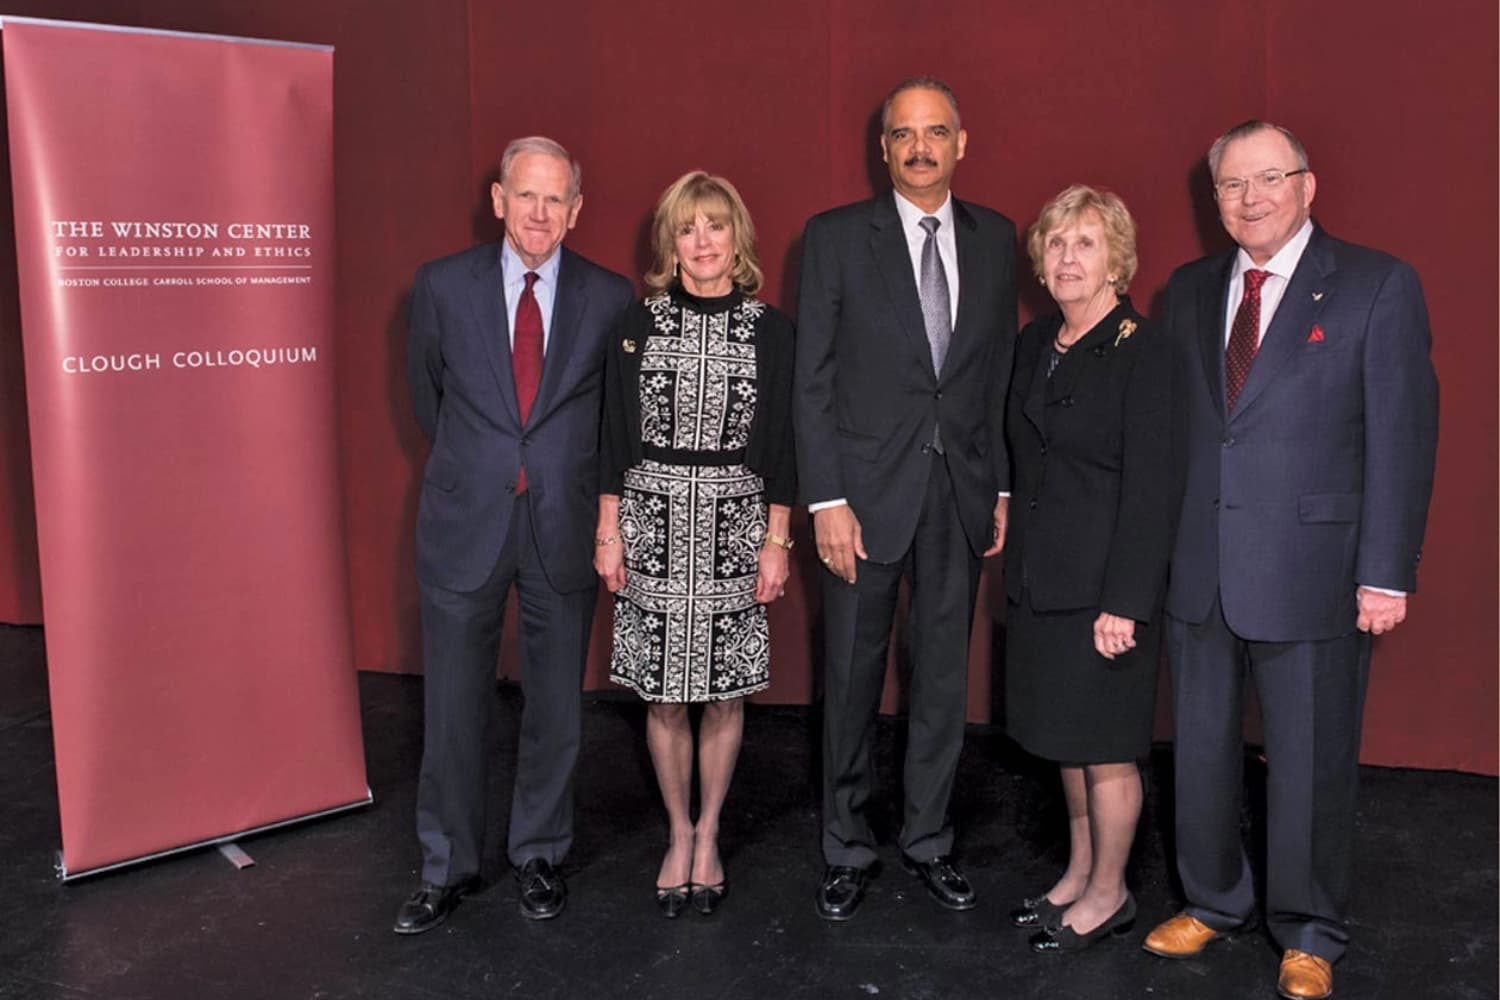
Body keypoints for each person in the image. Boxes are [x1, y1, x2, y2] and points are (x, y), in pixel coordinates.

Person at [1143, 121, 1438, 1000]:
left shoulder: (1377, 286)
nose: (1251, 198)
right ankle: (1213, 901)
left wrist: (1387, 572)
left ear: (1308, 186)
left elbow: (1403, 438)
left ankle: (1310, 931)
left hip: (1315, 569)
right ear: (1215, 200)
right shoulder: (1189, 291)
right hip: (1201, 569)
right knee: (1197, 753)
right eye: (1232, 186)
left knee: (1309, 761)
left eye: (1269, 178)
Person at [396, 136, 633, 932]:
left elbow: (613, 422)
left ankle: (539, 853)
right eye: (524, 196)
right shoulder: (439, 287)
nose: (538, 213)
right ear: (498, 199)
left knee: (556, 707)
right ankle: (447, 866)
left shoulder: (609, 296)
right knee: (454, 706)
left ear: (575, 210)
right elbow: (429, 396)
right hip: (466, 520)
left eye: (554, 199)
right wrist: (486, 463)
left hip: (562, 524)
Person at [794, 76, 1017, 921]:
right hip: (860, 500)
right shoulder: (836, 238)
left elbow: (992, 374)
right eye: (903, 135)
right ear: (881, 148)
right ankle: (846, 844)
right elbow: (811, 381)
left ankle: (928, 838)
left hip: (957, 494)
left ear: (963, 142)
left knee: (940, 678)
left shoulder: (996, 239)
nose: (920, 147)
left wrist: (995, 483)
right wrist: (825, 501)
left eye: (935, 132)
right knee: (851, 676)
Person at [595, 171, 796, 919]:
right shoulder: (635, 325)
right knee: (665, 695)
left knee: (724, 692)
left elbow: (783, 443)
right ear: (670, 242)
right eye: (688, 228)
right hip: (650, 522)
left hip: (736, 525)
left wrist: (777, 540)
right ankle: (676, 833)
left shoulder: (772, 330)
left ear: (737, 237)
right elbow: (613, 435)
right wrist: (608, 532)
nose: (703, 241)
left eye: (715, 226)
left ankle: (710, 833)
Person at [999, 186, 1174, 953]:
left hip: (1105, 590)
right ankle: (1078, 872)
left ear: (1118, 261)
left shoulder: (1146, 349)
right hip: (1043, 580)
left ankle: (1111, 893)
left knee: (1106, 745)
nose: (1068, 258)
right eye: (1057, 243)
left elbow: (1154, 486)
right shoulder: (1039, 343)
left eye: (1087, 244)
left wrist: (1126, 602)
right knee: (1067, 738)